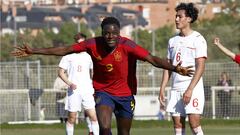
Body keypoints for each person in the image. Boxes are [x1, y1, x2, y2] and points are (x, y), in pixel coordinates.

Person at [11, 16, 194, 135]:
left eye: (114, 33)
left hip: (125, 94)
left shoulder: (127, 45)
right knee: (104, 128)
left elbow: (153, 59)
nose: (110, 36)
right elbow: (65, 49)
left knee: (124, 133)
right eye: (107, 33)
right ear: (102, 33)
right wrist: (35, 50)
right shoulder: (92, 44)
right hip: (103, 92)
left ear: (119, 33)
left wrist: (176, 68)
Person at [159, 3, 207, 135]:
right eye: (176, 16)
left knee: (194, 123)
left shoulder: (198, 39)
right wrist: (162, 87)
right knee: (178, 124)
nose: (176, 19)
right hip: (175, 88)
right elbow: (167, 66)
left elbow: (201, 66)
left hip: (193, 87)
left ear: (189, 19)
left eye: (180, 17)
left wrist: (190, 89)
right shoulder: (172, 41)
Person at [58, 32, 99, 135]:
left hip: (87, 90)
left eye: (83, 43)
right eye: (78, 43)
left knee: (93, 116)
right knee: (72, 117)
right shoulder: (68, 56)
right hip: (74, 91)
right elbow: (60, 72)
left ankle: (93, 132)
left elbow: (93, 73)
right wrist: (69, 83)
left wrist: (94, 86)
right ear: (75, 43)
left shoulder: (89, 56)